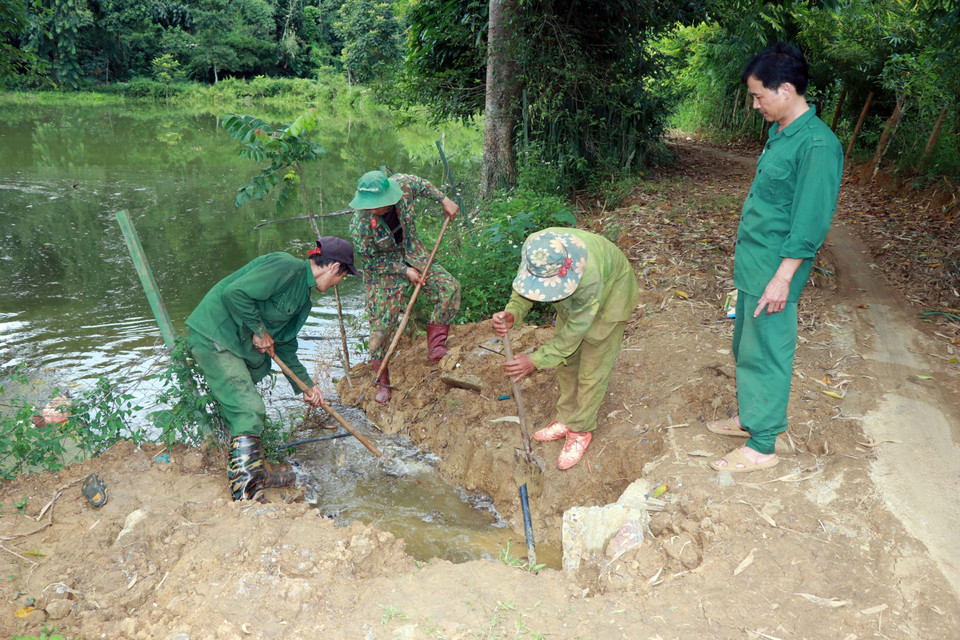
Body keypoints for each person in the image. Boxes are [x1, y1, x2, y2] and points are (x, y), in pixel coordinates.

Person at [707, 42, 843, 473]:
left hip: (775, 268)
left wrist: (783, 278)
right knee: (745, 345)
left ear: (785, 89)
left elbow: (810, 222)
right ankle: (750, 417)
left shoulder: (817, 146)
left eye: (758, 95)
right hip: (755, 262)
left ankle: (763, 444)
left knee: (767, 350)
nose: (755, 104)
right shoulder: (782, 133)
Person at [186, 237, 359, 501]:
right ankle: (246, 493)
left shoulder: (304, 300)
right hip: (215, 337)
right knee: (249, 409)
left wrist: (307, 386)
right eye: (342, 277)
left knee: (247, 410)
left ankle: (254, 473)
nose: (339, 283)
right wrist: (259, 330)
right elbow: (234, 293)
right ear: (335, 267)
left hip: (233, 345)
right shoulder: (285, 266)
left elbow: (285, 346)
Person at [492, 228, 640, 470]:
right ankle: (565, 419)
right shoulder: (536, 249)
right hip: (575, 301)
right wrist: (513, 312)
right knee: (567, 361)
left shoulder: (589, 275)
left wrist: (536, 359)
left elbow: (576, 329)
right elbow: (527, 285)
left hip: (611, 293)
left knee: (592, 368)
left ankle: (580, 430)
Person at [348, 170, 461, 404]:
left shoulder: (403, 186)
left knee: (449, 289)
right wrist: (404, 270)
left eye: (376, 204)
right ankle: (383, 381)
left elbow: (421, 183)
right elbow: (371, 262)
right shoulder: (360, 225)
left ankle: (437, 349)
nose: (371, 209)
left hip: (413, 254)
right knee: (381, 330)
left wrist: (444, 199)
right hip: (383, 271)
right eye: (367, 204)